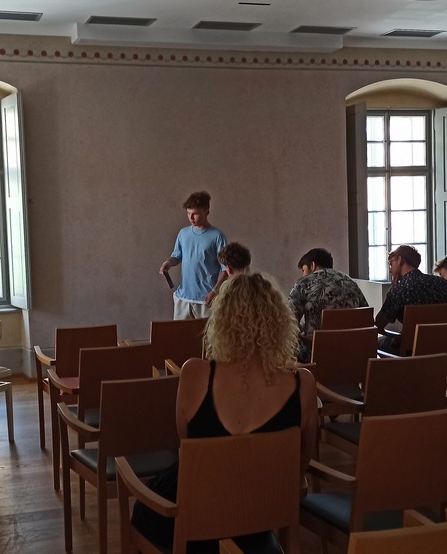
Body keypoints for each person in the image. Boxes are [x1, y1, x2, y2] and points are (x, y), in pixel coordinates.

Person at [132, 273, 318, 552]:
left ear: (220, 322)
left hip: (190, 517)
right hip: (258, 513)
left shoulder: (195, 374)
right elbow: (302, 459)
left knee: (148, 505)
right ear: (279, 322)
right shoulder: (302, 383)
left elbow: (187, 444)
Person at [288, 248, 369, 362]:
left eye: (303, 270)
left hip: (316, 355)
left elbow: (288, 322)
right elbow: (367, 317)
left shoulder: (303, 284)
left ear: (312, 265)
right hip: (351, 354)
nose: (303, 274)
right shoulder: (350, 282)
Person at [159, 191, 228, 320]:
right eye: (188, 213)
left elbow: (225, 269)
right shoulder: (183, 233)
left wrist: (214, 292)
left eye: (195, 214)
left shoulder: (217, 236)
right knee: (179, 333)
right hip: (183, 299)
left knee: (208, 334)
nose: (191, 217)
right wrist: (168, 263)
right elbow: (177, 256)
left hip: (206, 301)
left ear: (206, 212)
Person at [375, 245, 447, 353]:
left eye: (391, 263)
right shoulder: (444, 284)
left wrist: (393, 290)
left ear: (400, 260)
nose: (389, 269)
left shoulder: (399, 290)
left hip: (411, 350)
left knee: (375, 343)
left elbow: (379, 323)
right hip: (442, 347)